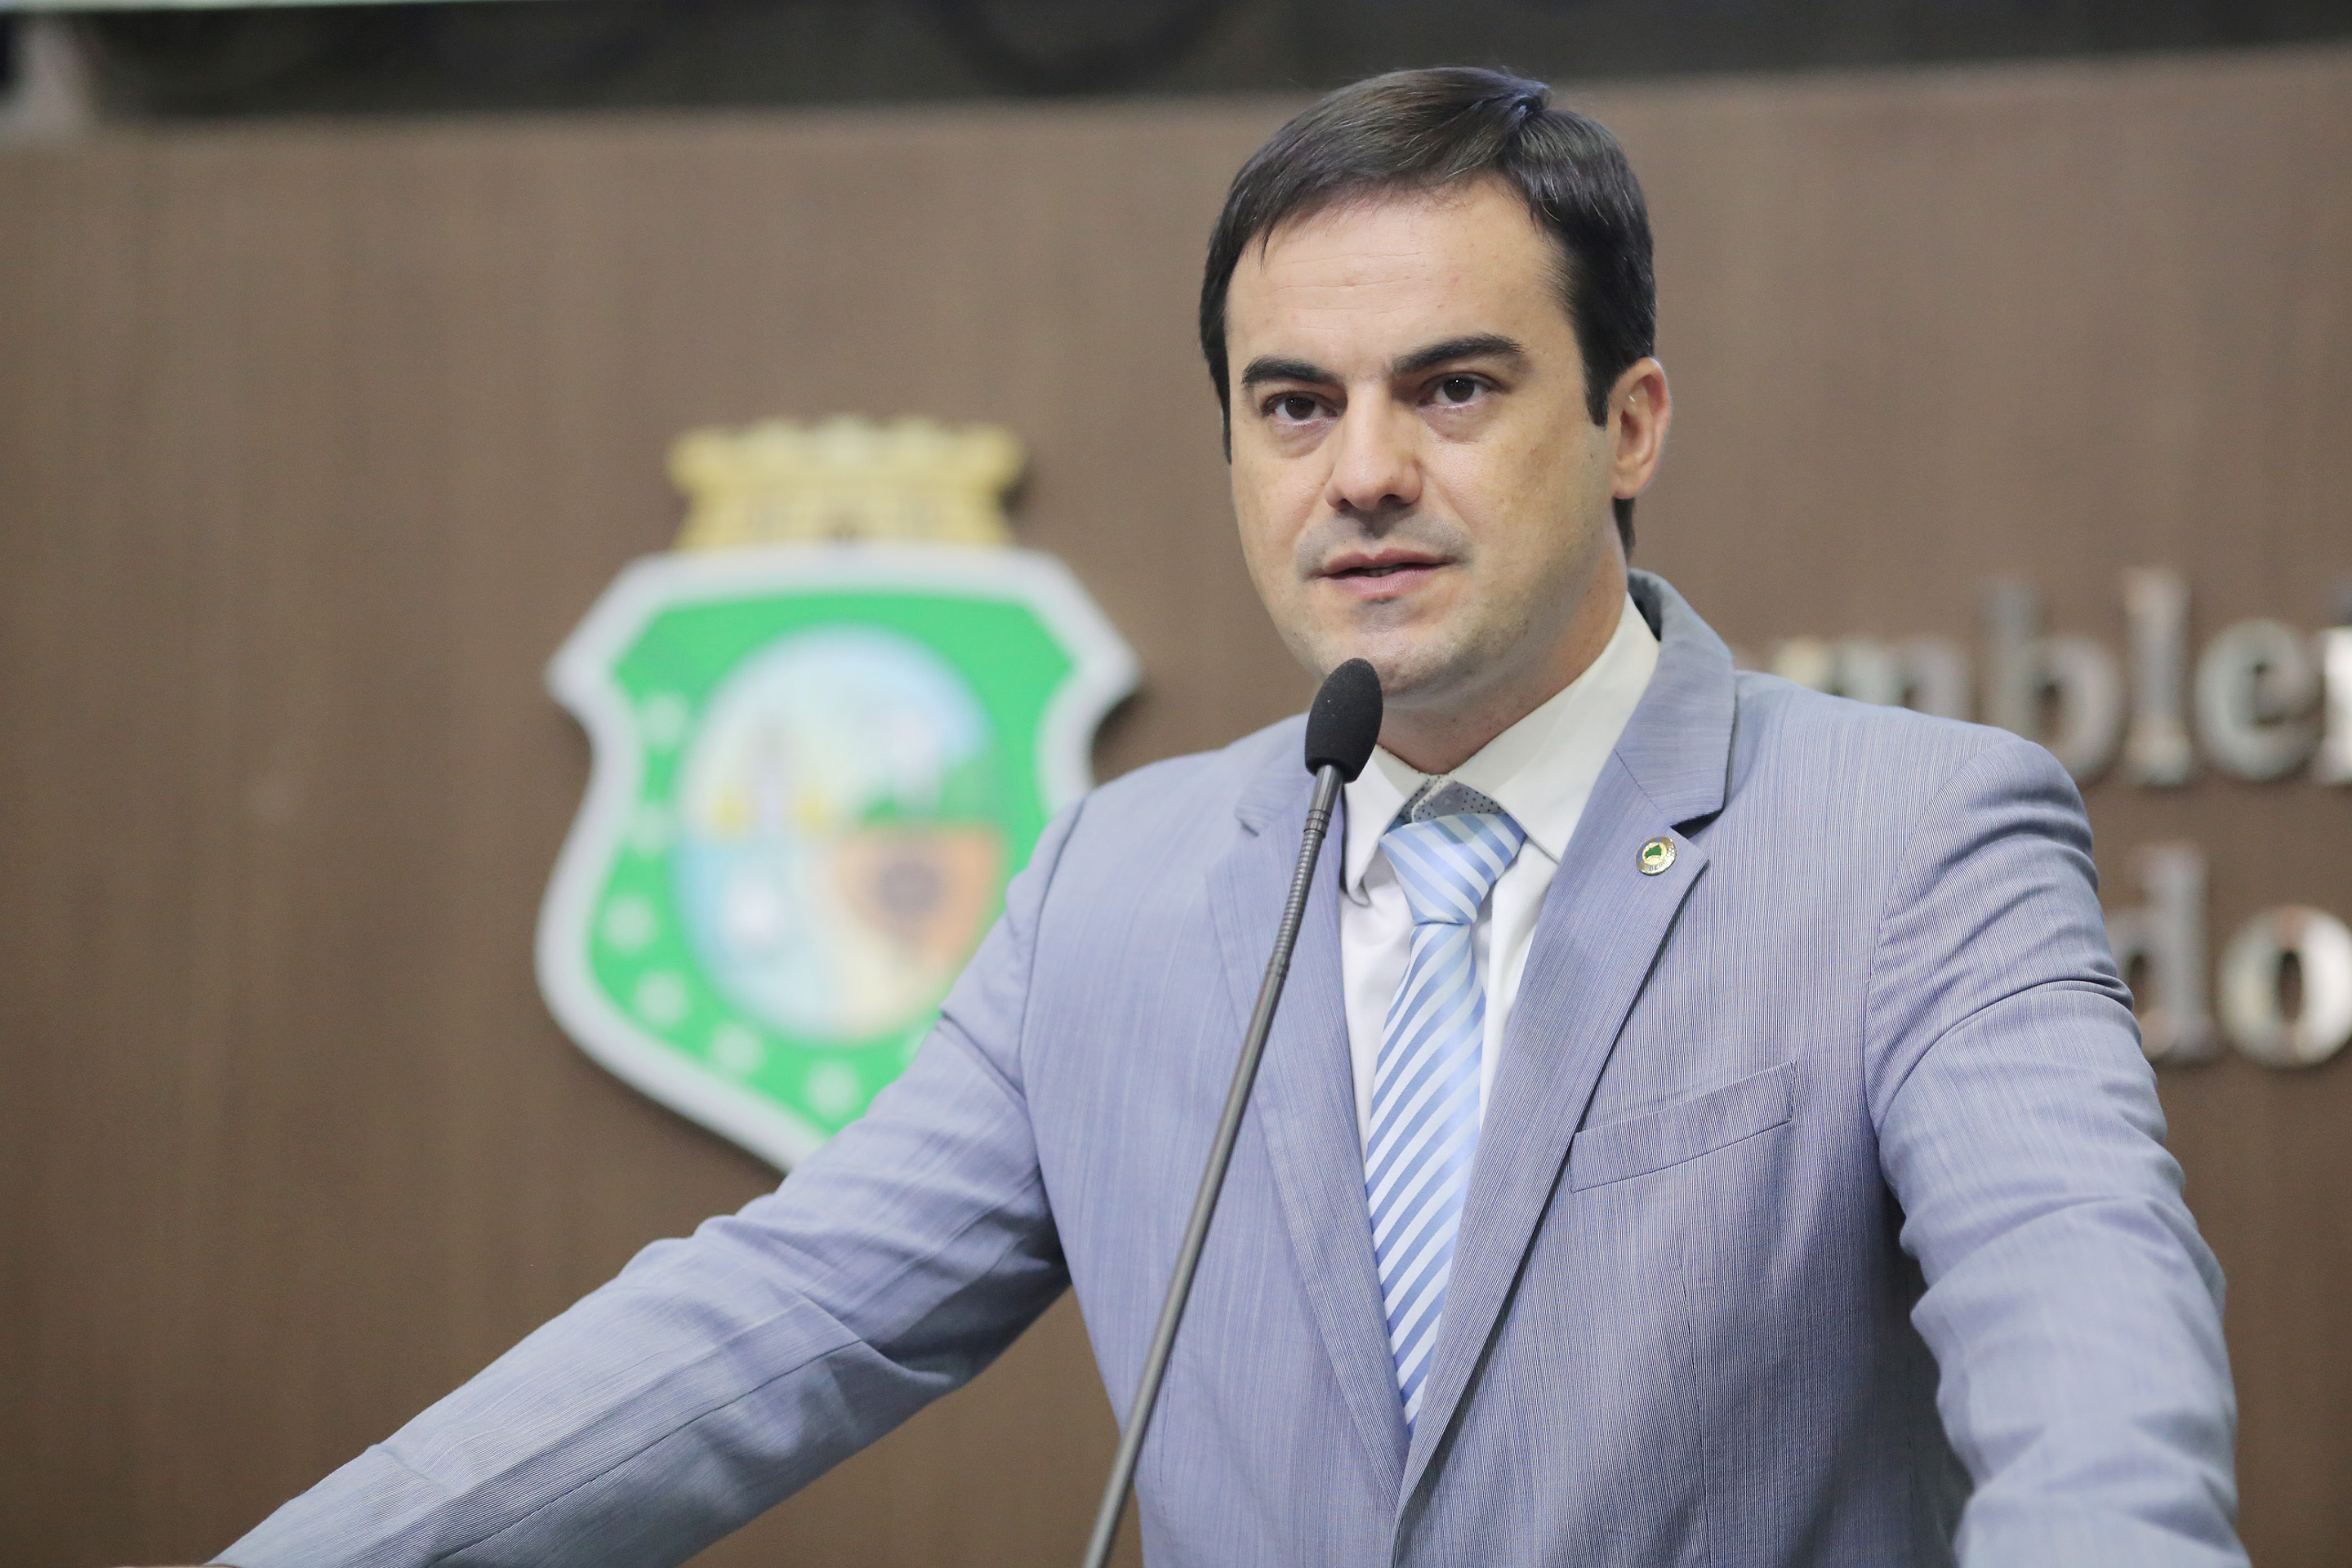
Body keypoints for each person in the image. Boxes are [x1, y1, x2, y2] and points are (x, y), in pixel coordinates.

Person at [170, 66, 2243, 1568]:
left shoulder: (1912, 841)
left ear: (1629, 423)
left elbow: (2090, 1381)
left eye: (1452, 389)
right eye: (1293, 404)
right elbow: (780, 1317)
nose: (1362, 472)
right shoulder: (1123, 883)